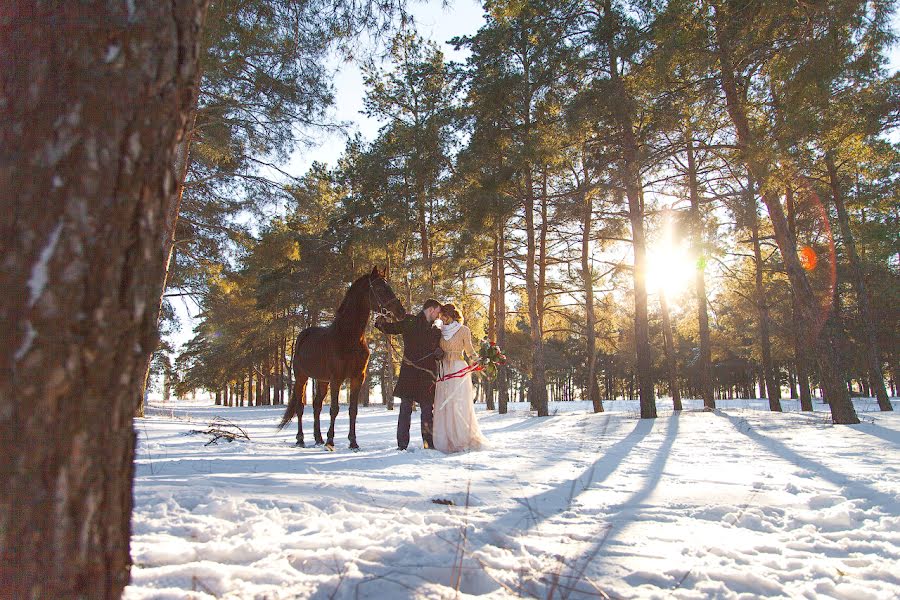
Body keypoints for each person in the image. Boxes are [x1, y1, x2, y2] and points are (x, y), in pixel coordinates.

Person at [374, 299, 443, 450]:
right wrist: (380, 322)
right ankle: (402, 445)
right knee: (405, 409)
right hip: (409, 373)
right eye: (437, 312)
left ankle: (428, 444)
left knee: (427, 410)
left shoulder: (436, 330)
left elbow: (439, 350)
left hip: (427, 375)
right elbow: (390, 328)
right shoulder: (410, 321)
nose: (438, 316)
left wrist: (439, 353)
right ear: (431, 309)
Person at [433, 304, 488, 453]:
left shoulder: (464, 330)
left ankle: (461, 438)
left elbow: (470, 351)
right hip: (444, 369)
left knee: (458, 403)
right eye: (440, 316)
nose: (441, 318)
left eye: (443, 315)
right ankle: (445, 439)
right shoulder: (439, 331)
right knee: (444, 403)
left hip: (458, 368)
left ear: (450, 314)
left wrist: (481, 360)